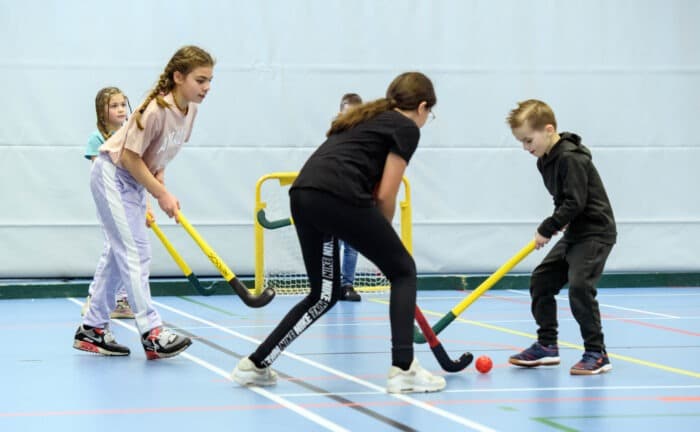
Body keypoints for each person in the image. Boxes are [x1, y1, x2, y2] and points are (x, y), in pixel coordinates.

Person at [232, 72, 446, 393]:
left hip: (303, 195)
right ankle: (403, 369)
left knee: (324, 294)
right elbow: (387, 195)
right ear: (422, 106)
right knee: (404, 270)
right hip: (338, 195)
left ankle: (255, 364)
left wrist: (376, 239)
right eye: (429, 113)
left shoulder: (368, 119)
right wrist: (383, 243)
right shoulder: (405, 127)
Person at [73, 45, 215, 359]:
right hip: (113, 173)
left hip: (134, 179)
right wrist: (161, 193)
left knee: (118, 253)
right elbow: (128, 156)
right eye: (200, 80)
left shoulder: (189, 111)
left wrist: (159, 188)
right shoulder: (154, 109)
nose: (206, 87)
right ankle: (152, 333)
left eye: (209, 81)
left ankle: (92, 328)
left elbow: (159, 155)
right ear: (178, 77)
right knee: (136, 252)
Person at [505, 99, 616, 375]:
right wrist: (557, 224)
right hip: (575, 232)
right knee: (542, 280)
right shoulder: (545, 161)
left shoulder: (570, 157)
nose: (526, 148)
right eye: (521, 142)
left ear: (549, 129)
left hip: (595, 233)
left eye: (529, 140)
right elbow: (563, 200)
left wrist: (548, 227)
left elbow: (575, 202)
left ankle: (596, 353)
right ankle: (547, 346)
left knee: (579, 287)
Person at [81, 86, 135, 320]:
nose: (121, 109)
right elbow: (100, 171)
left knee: (127, 250)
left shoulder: (129, 134)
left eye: (123, 104)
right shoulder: (97, 139)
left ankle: (120, 299)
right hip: (109, 199)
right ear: (102, 112)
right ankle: (95, 297)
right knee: (112, 247)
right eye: (114, 106)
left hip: (128, 200)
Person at [337, 93, 363, 302]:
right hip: (335, 197)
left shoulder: (365, 138)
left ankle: (347, 284)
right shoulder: (335, 137)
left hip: (354, 198)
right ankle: (330, 285)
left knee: (352, 246)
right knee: (332, 244)